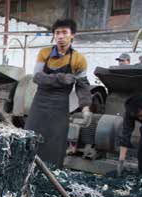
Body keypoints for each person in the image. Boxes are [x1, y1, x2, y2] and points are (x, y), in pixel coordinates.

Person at [25, 19, 92, 168]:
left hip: (60, 105)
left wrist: (86, 107)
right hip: (40, 103)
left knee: (55, 142)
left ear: (72, 35)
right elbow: (37, 77)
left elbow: (83, 85)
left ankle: (52, 172)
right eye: (57, 33)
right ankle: (27, 168)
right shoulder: (44, 53)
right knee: (31, 137)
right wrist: (61, 78)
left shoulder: (79, 59)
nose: (60, 36)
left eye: (64, 32)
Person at [117, 94, 142, 176]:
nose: (140, 119)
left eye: (141, 115)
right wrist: (121, 161)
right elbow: (126, 134)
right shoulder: (131, 113)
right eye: (137, 116)